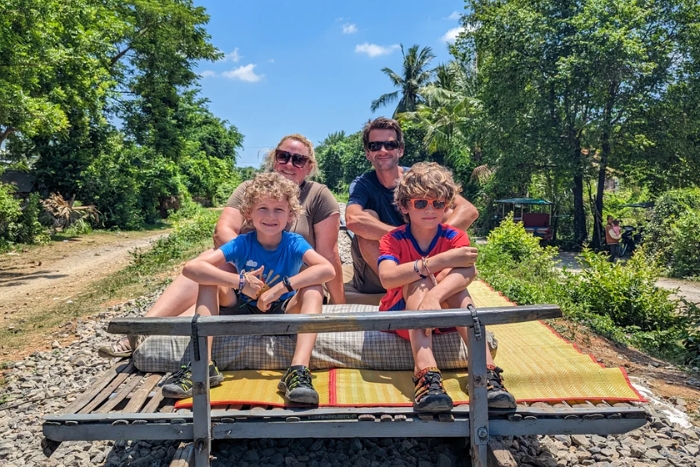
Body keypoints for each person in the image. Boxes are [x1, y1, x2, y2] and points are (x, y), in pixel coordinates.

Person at [98, 134, 345, 358]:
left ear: (309, 167)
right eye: (283, 156)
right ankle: (144, 328)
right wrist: (245, 269)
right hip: (243, 273)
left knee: (310, 279)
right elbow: (223, 231)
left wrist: (339, 305)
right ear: (274, 158)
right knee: (209, 260)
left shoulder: (318, 195)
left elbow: (328, 253)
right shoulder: (251, 189)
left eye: (298, 160)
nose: (289, 164)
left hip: (289, 280)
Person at [160, 172, 335, 403]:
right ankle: (201, 365)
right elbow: (191, 268)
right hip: (241, 305)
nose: (270, 216)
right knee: (208, 280)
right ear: (249, 213)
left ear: (290, 215)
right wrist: (240, 282)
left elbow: (327, 269)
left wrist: (281, 288)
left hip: (283, 308)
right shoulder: (242, 242)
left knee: (313, 287)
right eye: (262, 208)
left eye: (278, 210)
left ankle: (298, 370)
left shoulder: (294, 243)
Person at [377, 162, 516, 413]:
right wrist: (439, 261)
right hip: (403, 316)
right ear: (405, 206)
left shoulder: (454, 236)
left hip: (443, 311)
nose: (430, 209)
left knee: (457, 289)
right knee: (418, 281)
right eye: (421, 203)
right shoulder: (393, 238)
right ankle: (426, 373)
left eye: (437, 203)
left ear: (446, 206)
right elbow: (387, 278)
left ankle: (486, 372)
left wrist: (434, 295)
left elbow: (468, 270)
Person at [345, 117, 479, 294]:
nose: (383, 150)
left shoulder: (418, 178)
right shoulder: (363, 184)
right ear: (368, 153)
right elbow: (353, 219)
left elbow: (468, 210)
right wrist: (406, 238)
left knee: (444, 211)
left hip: (426, 257)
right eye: (375, 146)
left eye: (390, 145)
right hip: (383, 272)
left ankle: (427, 274)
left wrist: (431, 238)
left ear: (400, 150)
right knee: (366, 219)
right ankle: (400, 287)